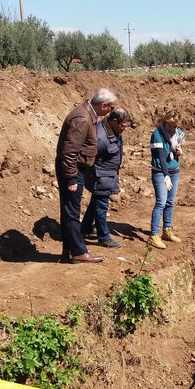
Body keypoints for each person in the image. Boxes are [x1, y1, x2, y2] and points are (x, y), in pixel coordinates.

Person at [55, 88, 116, 263]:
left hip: (74, 168)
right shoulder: (82, 118)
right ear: (103, 105)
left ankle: (70, 251)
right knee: (72, 212)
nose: (110, 111)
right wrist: (72, 177)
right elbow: (69, 152)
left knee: (69, 210)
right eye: (110, 108)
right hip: (72, 170)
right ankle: (79, 252)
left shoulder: (87, 114)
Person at [80, 107, 131, 248]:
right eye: (122, 125)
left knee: (96, 202)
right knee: (101, 207)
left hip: (107, 175)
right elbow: (90, 158)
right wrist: (93, 176)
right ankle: (103, 237)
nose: (124, 128)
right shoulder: (101, 137)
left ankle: (85, 228)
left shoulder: (114, 129)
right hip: (100, 176)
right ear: (114, 121)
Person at [148, 110, 185, 249]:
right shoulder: (157, 134)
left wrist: (178, 152)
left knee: (170, 202)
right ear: (165, 122)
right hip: (160, 172)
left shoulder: (177, 133)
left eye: (175, 126)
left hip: (174, 170)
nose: (172, 129)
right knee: (161, 202)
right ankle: (153, 234)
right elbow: (161, 157)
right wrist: (165, 175)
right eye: (170, 126)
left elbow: (174, 149)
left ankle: (167, 230)